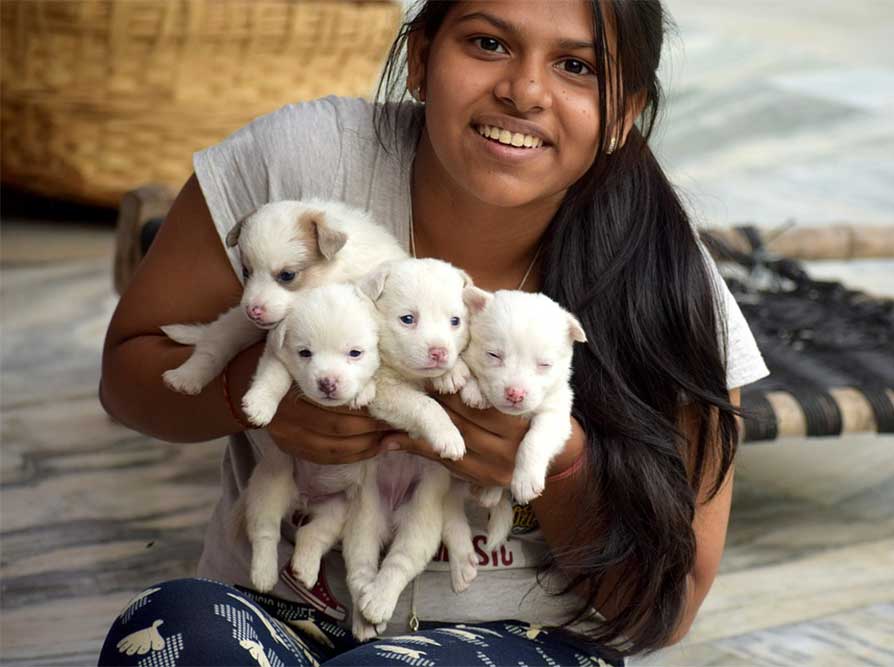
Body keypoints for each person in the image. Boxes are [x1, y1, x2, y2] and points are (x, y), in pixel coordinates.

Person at [98, 1, 768, 665]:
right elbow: (129, 372)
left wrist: (558, 465)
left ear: (623, 113)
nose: (525, 91)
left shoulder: (666, 275)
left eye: (575, 65)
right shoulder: (303, 167)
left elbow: (673, 601)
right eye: (487, 44)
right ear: (421, 57)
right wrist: (258, 387)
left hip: (526, 639)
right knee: (168, 634)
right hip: (275, 614)